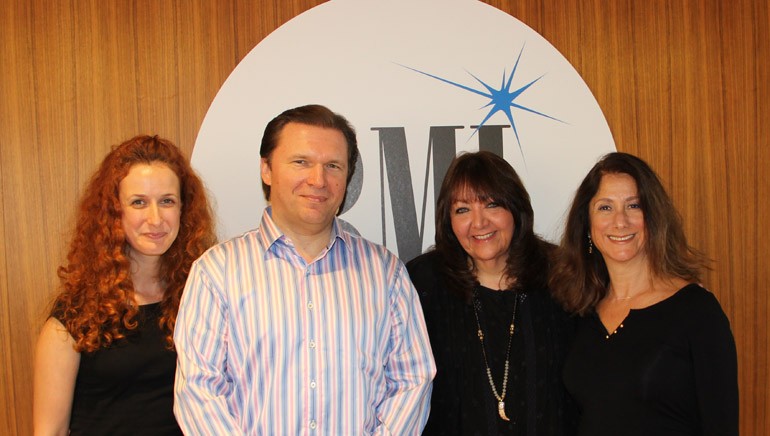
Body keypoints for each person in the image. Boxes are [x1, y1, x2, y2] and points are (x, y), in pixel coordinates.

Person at [173, 104, 436, 435]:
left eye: (333, 166)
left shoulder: (386, 274)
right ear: (266, 170)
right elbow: (199, 391)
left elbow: (411, 380)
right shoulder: (216, 272)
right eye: (301, 162)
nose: (318, 180)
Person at [33, 135, 217, 435]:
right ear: (114, 211)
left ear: (184, 209)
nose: (155, 219)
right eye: (139, 203)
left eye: (167, 201)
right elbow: (49, 431)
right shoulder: (74, 317)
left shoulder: (202, 298)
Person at [550, 152, 738, 436]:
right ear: (587, 225)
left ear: (653, 217)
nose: (620, 221)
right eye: (605, 207)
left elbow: (721, 424)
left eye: (633, 205)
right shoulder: (579, 311)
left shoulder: (696, 311)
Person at [406, 151, 575, 435]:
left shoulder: (562, 277)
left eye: (492, 204)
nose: (479, 222)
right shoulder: (422, 284)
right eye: (462, 210)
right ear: (448, 220)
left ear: (516, 210)